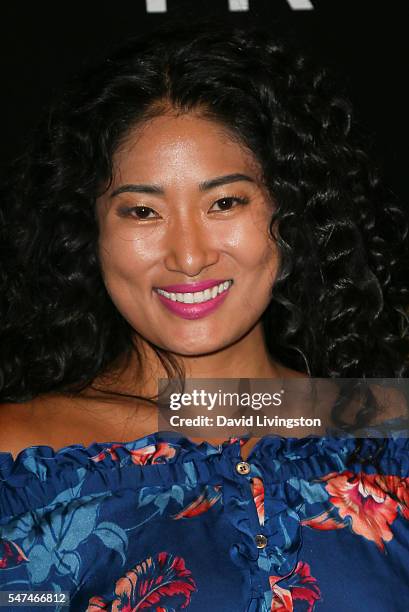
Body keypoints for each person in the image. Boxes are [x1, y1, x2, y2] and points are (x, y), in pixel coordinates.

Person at [0, 20, 408, 611]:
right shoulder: (21, 460)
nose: (188, 256)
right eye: (142, 211)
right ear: (90, 233)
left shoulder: (388, 432)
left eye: (224, 202)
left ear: (290, 215)